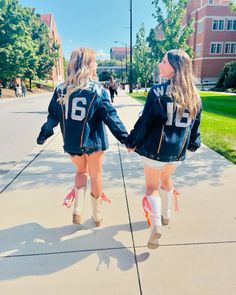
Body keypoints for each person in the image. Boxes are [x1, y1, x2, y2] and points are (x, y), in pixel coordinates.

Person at [37, 48, 128, 226]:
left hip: (72, 142)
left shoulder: (61, 90)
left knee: (80, 172)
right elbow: (111, 117)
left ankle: (78, 208)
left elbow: (52, 117)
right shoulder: (98, 90)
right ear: (90, 65)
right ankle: (97, 215)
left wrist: (43, 135)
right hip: (94, 142)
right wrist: (126, 139)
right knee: (95, 175)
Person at [126, 49, 202, 249]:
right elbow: (195, 127)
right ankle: (166, 216)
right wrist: (193, 145)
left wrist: (132, 142)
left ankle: (157, 225)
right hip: (176, 154)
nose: (160, 65)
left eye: (164, 62)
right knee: (166, 179)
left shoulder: (157, 92)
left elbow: (145, 121)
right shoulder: (195, 96)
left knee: (151, 188)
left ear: (175, 67)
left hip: (155, 151)